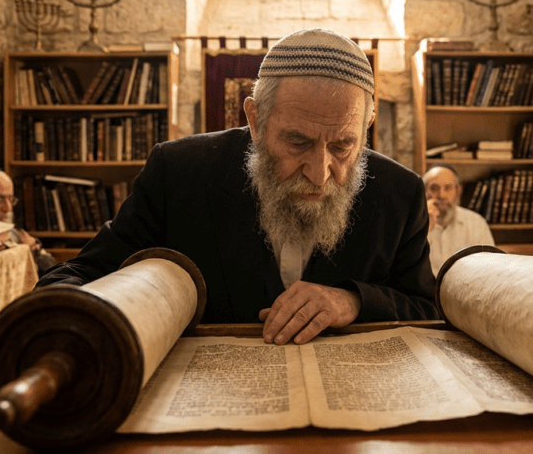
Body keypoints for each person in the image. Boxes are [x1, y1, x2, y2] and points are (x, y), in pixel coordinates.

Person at [38, 28, 439, 345]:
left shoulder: (399, 193)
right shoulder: (180, 173)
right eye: (297, 142)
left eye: (342, 145)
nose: (320, 172)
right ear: (255, 118)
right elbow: (80, 276)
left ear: (366, 128)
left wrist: (352, 300)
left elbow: (425, 308)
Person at [422, 164, 494, 276]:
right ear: (424, 191)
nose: (441, 195)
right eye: (434, 188)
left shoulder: (476, 223)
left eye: (448, 188)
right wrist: (425, 227)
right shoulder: (413, 224)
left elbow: (490, 267)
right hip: (423, 292)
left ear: (457, 191)